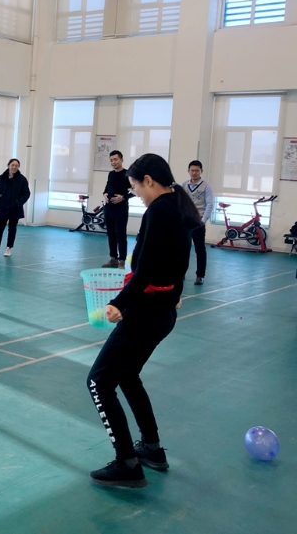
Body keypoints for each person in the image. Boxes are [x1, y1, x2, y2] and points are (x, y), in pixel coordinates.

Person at [87, 153, 200, 489]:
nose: (135, 192)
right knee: (127, 375)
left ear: (148, 180)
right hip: (163, 313)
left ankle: (127, 462)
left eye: (135, 186)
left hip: (145, 314)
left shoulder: (159, 211)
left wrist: (118, 303)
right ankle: (151, 448)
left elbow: (147, 269)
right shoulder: (178, 206)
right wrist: (175, 292)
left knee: (99, 381)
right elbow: (179, 262)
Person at [0, 159, 30, 257]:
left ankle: (8, 248)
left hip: (16, 208)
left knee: (12, 229)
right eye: (12, 165)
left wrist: (18, 202)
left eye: (16, 165)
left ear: (18, 167)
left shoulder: (22, 179)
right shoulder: (1, 178)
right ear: (8, 165)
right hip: (4, 207)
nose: (14, 167)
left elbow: (26, 193)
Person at [182, 160, 214, 285]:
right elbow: (181, 202)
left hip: (198, 222)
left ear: (201, 171)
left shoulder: (206, 186)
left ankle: (200, 275)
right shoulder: (184, 185)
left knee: (199, 249)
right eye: (192, 170)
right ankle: (181, 273)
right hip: (186, 222)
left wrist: (203, 221)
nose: (194, 173)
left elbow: (210, 204)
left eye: (197, 170)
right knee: (183, 248)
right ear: (188, 171)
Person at [101, 150, 133, 269]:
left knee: (121, 234)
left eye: (115, 159)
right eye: (111, 160)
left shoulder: (127, 174)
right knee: (111, 234)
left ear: (121, 160)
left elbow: (134, 191)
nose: (113, 162)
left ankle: (122, 261)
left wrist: (122, 197)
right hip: (109, 208)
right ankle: (113, 258)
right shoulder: (111, 174)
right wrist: (104, 194)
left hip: (121, 209)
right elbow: (107, 188)